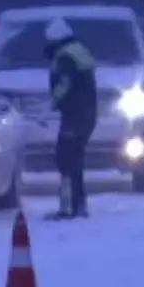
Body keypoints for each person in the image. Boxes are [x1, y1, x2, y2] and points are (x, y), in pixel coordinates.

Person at [43, 18, 99, 220]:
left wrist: (53, 101)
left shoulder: (65, 56)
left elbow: (65, 83)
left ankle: (69, 207)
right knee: (73, 159)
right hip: (86, 114)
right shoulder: (79, 50)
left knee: (65, 158)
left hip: (75, 115)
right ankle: (78, 204)